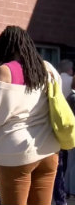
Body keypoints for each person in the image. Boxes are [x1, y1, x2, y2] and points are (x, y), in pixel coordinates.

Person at [0, 25, 60, 205]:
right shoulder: (48, 69)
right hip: (48, 149)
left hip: (15, 153)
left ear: (4, 47)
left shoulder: (5, 71)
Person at [53, 59, 74, 205]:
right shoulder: (70, 87)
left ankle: (68, 189)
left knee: (68, 162)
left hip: (61, 127)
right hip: (69, 127)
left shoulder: (57, 80)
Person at [65, 76, 75, 199]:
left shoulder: (69, 96)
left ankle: (68, 189)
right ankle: (72, 190)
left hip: (70, 133)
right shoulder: (73, 97)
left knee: (71, 163)